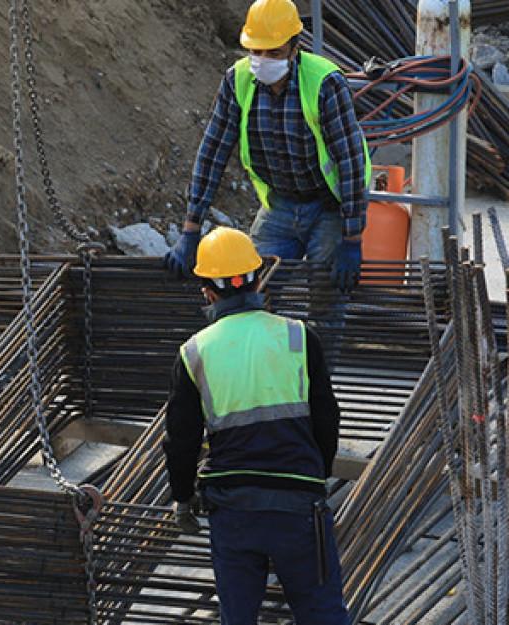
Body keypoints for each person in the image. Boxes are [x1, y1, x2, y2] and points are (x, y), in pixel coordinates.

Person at [163, 227, 348, 625]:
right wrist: (316, 476)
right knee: (323, 614)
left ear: (207, 291)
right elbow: (327, 418)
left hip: (233, 509)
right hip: (298, 506)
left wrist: (181, 495)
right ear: (257, 279)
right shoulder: (300, 337)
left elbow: (181, 440)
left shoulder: (194, 352)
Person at [165, 0, 370, 294]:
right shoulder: (238, 81)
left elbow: (350, 164)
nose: (263, 60)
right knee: (252, 289)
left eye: (274, 52)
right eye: (256, 51)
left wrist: (352, 239)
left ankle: (321, 340)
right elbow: (212, 152)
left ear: (295, 47)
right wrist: (191, 228)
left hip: (329, 206)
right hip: (280, 205)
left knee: (326, 297)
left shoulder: (325, 84)